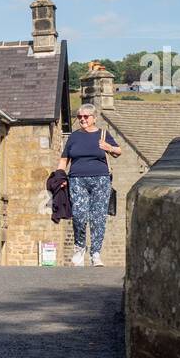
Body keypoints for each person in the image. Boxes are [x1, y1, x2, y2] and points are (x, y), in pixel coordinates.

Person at [57, 102, 121, 266]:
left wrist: (108, 147)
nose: (82, 119)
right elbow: (64, 159)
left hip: (101, 179)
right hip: (77, 179)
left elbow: (118, 151)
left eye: (85, 116)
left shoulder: (103, 134)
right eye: (79, 117)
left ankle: (96, 254)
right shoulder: (74, 137)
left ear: (94, 118)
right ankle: (79, 248)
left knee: (98, 217)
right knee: (78, 215)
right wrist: (59, 176)